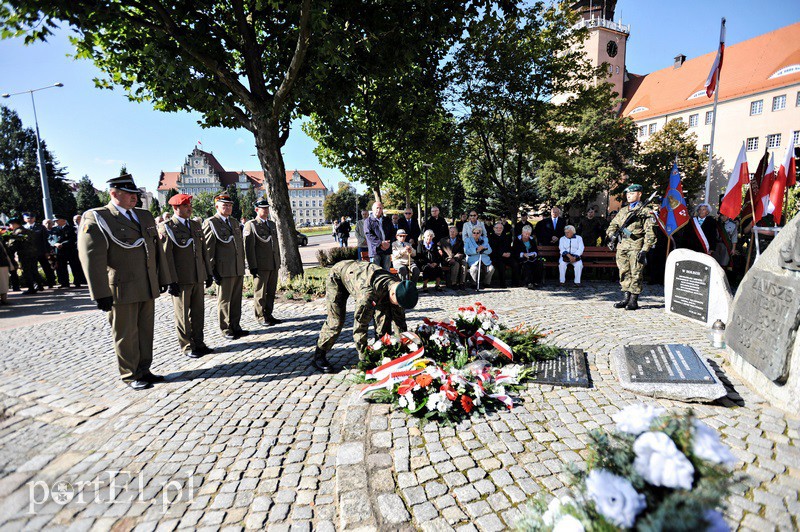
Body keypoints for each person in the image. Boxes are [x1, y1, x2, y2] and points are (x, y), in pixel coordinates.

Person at [78, 174, 173, 390]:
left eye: (136, 194)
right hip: (121, 287)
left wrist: (163, 277)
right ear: (114, 193)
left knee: (145, 330)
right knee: (125, 333)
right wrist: (99, 292)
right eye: (130, 194)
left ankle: (144, 369)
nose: (135, 198)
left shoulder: (144, 216)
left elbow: (157, 250)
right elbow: (92, 257)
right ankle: (130, 374)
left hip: (146, 284)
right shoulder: (98, 218)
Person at [313, 260, 418, 373]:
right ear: (392, 294)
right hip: (338, 277)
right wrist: (365, 360)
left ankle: (382, 351)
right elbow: (360, 327)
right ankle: (319, 355)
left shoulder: (397, 287)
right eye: (397, 303)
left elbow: (399, 321)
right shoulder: (368, 295)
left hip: (361, 275)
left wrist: (405, 349)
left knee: (384, 318)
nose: (398, 306)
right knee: (336, 321)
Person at [160, 193, 215, 359]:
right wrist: (170, 280)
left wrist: (207, 273)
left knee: (198, 313)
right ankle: (187, 346)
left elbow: (203, 251)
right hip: (181, 278)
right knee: (182, 315)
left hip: (198, 276)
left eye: (189, 205)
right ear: (176, 208)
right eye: (185, 205)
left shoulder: (196, 225)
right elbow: (165, 256)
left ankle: (199, 342)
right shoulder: (168, 226)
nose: (189, 208)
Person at [204, 193, 249, 339]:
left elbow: (240, 247)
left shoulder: (234, 222)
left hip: (237, 268)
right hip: (222, 270)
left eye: (230, 205)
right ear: (217, 206)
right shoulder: (211, 223)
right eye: (225, 205)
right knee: (224, 301)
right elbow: (209, 249)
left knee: (236, 300)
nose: (228, 207)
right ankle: (225, 329)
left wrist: (242, 265)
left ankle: (235, 326)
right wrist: (212, 271)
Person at [606, 184, 657, 311]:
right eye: (628, 194)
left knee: (636, 273)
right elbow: (613, 225)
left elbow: (650, 233)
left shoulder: (646, 211)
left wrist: (645, 249)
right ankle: (625, 298)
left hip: (636, 246)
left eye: (632, 193)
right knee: (623, 272)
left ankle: (633, 300)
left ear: (639, 194)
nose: (629, 196)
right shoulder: (623, 211)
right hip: (622, 246)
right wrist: (612, 235)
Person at [244, 198, 283, 326]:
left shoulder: (271, 224)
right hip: (260, 265)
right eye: (263, 208)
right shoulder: (252, 225)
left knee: (271, 292)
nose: (266, 210)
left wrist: (278, 261)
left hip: (273, 264)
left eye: (267, 208)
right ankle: (260, 316)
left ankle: (268, 314)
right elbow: (249, 248)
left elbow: (275, 245)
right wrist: (252, 266)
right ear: (256, 209)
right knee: (260, 292)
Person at [50, 214, 85, 289]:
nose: (56, 222)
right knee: (61, 268)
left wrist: (62, 244)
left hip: (70, 250)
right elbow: (50, 239)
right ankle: (64, 283)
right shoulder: (53, 229)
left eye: (57, 220)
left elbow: (73, 239)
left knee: (74, 266)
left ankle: (77, 282)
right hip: (59, 251)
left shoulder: (71, 228)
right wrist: (55, 243)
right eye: (55, 220)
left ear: (63, 220)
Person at [23, 212, 56, 289]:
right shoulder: (23, 228)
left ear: (34, 218)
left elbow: (45, 240)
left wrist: (47, 251)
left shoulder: (41, 227)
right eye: (28, 218)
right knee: (33, 269)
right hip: (30, 253)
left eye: (31, 218)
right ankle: (38, 284)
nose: (30, 219)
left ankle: (51, 282)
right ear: (24, 219)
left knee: (46, 268)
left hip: (41, 252)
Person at [6, 217, 38, 294]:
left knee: (27, 271)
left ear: (14, 224)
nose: (10, 226)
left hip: (24, 254)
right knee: (34, 270)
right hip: (33, 253)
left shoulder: (18, 232)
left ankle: (31, 288)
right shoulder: (28, 231)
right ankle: (39, 285)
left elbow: (13, 246)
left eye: (11, 224)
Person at [512, 225, 543, 289]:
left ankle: (536, 282)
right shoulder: (517, 239)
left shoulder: (532, 239)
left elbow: (535, 250)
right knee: (526, 264)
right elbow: (515, 251)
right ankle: (528, 283)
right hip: (521, 258)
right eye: (525, 234)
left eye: (528, 234)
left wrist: (534, 254)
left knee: (539, 264)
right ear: (522, 232)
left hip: (531, 258)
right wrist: (523, 254)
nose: (527, 235)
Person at [364, 201, 392, 270]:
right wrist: (380, 243)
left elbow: (393, 232)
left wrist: (388, 243)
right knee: (376, 273)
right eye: (377, 208)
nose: (378, 210)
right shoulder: (368, 221)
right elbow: (368, 235)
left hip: (386, 250)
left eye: (380, 208)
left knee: (386, 273)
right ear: (373, 209)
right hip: (375, 251)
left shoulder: (387, 220)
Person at [488, 222, 515, 288]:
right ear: (494, 229)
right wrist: (502, 254)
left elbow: (509, 247)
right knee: (501, 265)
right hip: (496, 257)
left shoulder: (506, 236)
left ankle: (515, 283)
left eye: (500, 228)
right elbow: (492, 250)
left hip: (506, 256)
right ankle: (503, 284)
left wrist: (509, 253)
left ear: (502, 229)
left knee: (515, 264)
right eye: (497, 228)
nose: (498, 229)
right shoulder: (490, 237)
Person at [0, 236, 13, 304]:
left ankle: (4, 299)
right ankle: (4, 299)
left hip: (2, 263)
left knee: (3, 282)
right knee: (3, 283)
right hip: (3, 263)